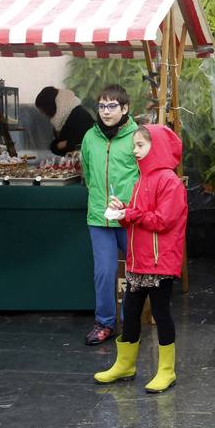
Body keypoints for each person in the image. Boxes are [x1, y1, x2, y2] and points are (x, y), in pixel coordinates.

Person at [94, 124, 187, 393]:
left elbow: (163, 221)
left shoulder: (169, 181)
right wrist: (124, 210)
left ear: (155, 147)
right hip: (140, 261)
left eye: (140, 145)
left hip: (159, 264)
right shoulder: (142, 179)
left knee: (161, 313)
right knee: (131, 313)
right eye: (135, 145)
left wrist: (129, 215)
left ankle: (166, 370)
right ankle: (125, 365)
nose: (134, 151)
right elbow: (140, 217)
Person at [81, 84, 140, 346]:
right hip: (98, 216)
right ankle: (105, 322)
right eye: (101, 106)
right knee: (104, 272)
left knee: (135, 270)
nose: (105, 111)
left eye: (112, 106)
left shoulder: (138, 135)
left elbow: (145, 175)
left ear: (125, 108)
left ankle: (130, 320)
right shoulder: (89, 137)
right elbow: (87, 172)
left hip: (129, 216)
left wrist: (131, 205)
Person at [34, 85, 96, 156]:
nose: (43, 114)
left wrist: (67, 144)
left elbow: (88, 142)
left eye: (43, 110)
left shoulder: (79, 114)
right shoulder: (60, 118)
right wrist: (61, 145)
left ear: (49, 106)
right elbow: (58, 146)